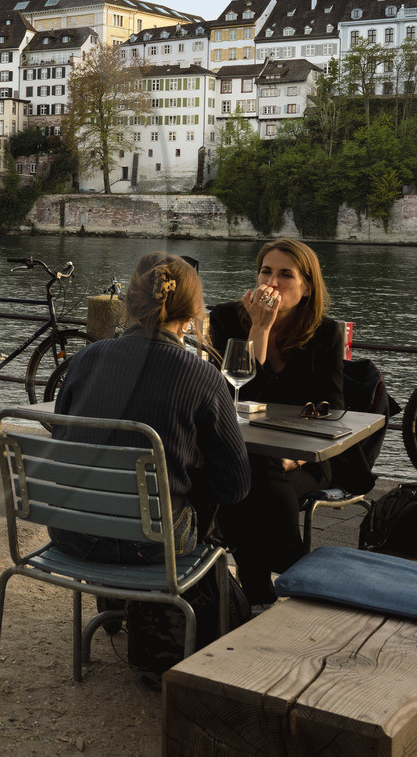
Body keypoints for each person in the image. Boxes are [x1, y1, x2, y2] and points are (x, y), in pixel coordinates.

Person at [50, 252, 250, 564]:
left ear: (129, 302)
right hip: (152, 544)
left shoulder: (85, 358)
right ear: (191, 316)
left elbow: (61, 439)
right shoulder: (202, 375)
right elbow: (236, 485)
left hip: (73, 533)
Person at [212, 238, 344, 605]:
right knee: (252, 473)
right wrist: (260, 329)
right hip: (245, 451)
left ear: (307, 287)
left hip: (305, 458)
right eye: (265, 272)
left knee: (250, 482)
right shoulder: (225, 318)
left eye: (285, 275)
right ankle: (287, 569)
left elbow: (332, 409)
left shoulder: (326, 333)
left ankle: (258, 584)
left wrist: (292, 457)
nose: (271, 283)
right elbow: (233, 393)